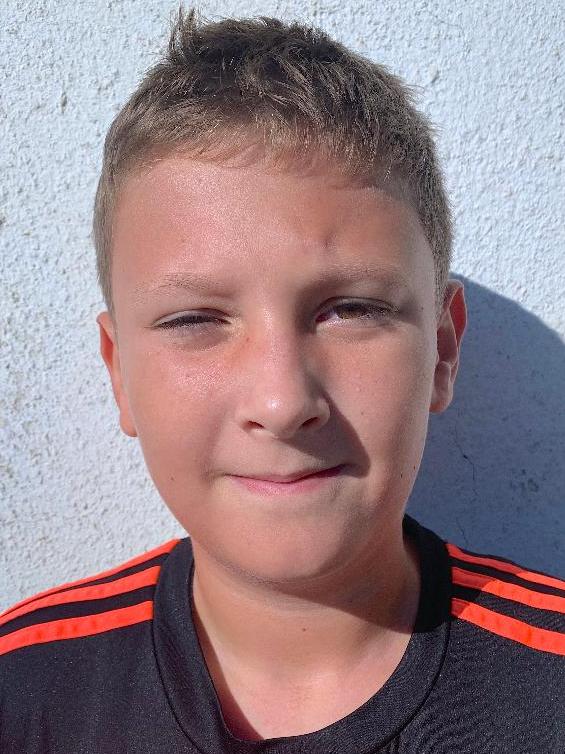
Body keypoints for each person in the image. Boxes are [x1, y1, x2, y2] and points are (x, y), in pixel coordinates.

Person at [0, 6, 563, 753]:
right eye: (194, 319)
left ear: (441, 351)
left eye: (351, 309)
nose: (281, 401)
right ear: (119, 374)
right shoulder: (24, 688)